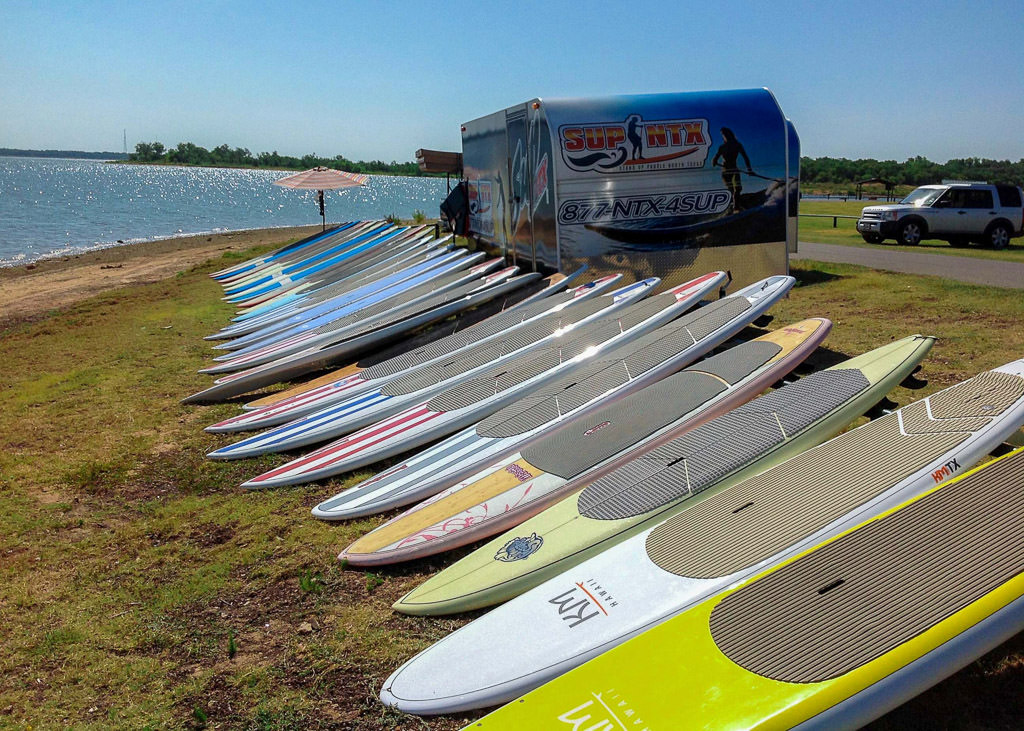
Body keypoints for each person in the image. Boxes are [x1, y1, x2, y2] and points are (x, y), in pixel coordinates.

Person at [711, 127, 753, 213]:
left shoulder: (737, 145)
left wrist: (749, 169)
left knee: (737, 189)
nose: (724, 136)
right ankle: (735, 207)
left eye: (725, 134)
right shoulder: (722, 147)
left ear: (729, 134)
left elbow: (745, 157)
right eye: (723, 135)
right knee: (732, 191)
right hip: (725, 172)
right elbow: (715, 159)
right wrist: (714, 161)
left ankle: (736, 208)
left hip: (734, 170)